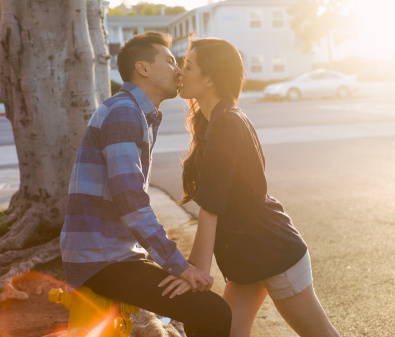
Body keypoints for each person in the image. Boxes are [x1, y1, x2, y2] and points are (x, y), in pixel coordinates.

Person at [60, 32, 231, 337]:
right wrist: (179, 266)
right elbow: (131, 202)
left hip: (109, 254)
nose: (179, 70)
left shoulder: (133, 112)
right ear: (143, 68)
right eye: (170, 61)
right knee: (212, 311)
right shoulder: (124, 113)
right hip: (101, 259)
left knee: (200, 307)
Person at [173, 37, 341, 337]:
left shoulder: (227, 124)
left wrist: (194, 273)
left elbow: (210, 209)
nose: (179, 72)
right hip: (248, 258)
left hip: (274, 255)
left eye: (187, 66)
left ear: (210, 79)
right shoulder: (214, 122)